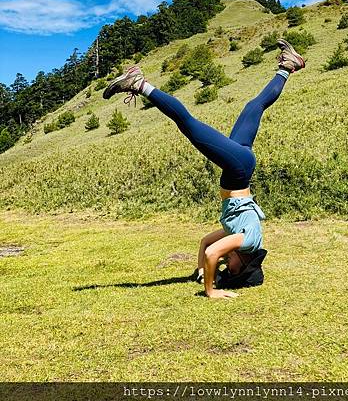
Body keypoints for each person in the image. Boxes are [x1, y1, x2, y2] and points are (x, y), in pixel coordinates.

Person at [103, 39, 305, 299]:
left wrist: (201, 271)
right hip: (238, 171)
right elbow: (213, 253)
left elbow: (206, 244)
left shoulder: (238, 236)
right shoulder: (247, 242)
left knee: (254, 107)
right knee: (188, 124)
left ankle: (288, 67)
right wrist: (211, 291)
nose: (225, 267)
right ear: (242, 264)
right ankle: (140, 84)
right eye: (230, 270)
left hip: (240, 167)